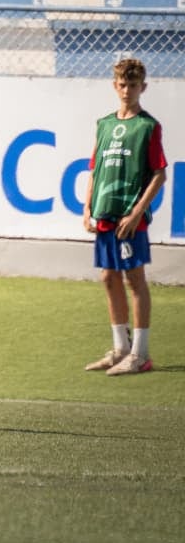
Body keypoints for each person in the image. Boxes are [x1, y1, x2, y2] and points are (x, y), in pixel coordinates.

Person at [82, 58, 167, 376]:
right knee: (107, 277)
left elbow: (159, 174)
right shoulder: (104, 124)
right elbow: (94, 169)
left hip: (129, 217)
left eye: (133, 85)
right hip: (105, 213)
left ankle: (141, 354)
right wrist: (86, 207)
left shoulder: (148, 126)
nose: (127, 90)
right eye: (122, 84)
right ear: (114, 86)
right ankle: (120, 349)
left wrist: (136, 212)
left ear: (142, 87)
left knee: (135, 280)